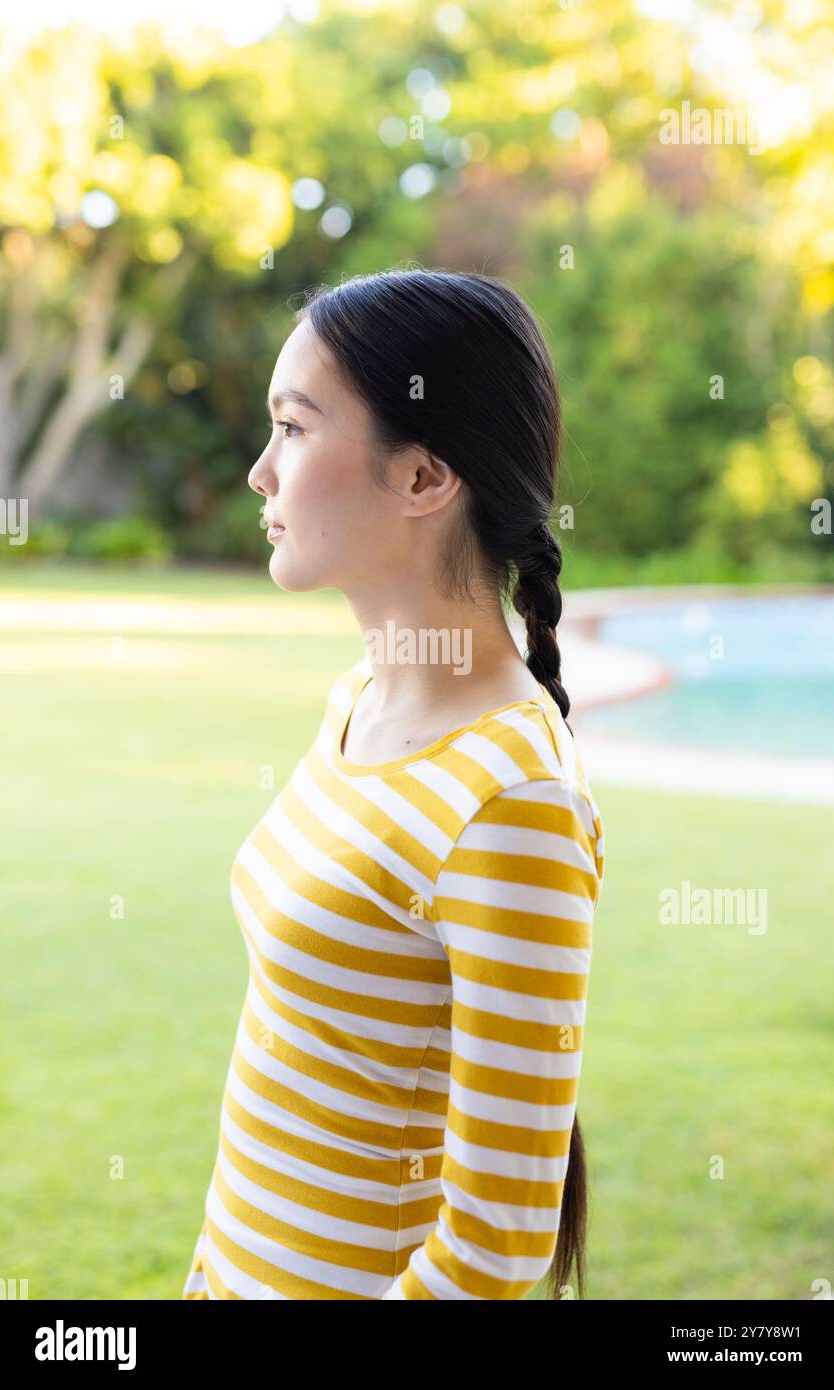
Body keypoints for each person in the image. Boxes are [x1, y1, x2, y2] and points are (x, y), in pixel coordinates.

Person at [181, 268, 605, 1301]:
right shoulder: (360, 697)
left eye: (293, 427)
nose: (257, 473)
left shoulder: (513, 800)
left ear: (424, 478)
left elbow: (493, 1252)